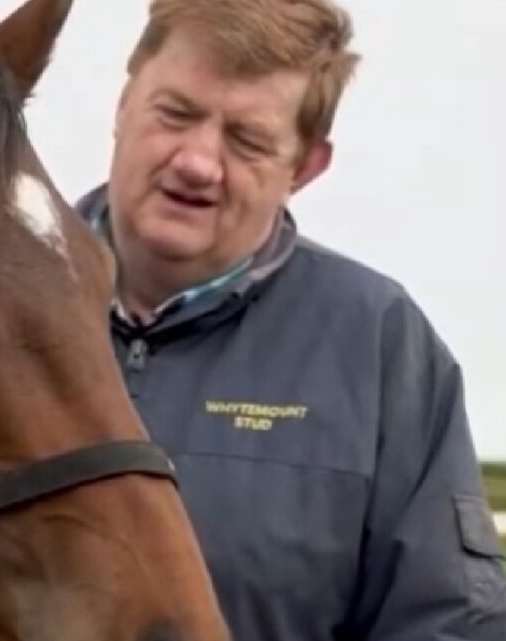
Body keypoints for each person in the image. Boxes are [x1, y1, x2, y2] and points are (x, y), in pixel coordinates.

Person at [67, 0, 506, 638]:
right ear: (123, 103)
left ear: (304, 167)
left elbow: (448, 622)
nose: (197, 162)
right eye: (176, 114)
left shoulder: (378, 345)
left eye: (246, 140)